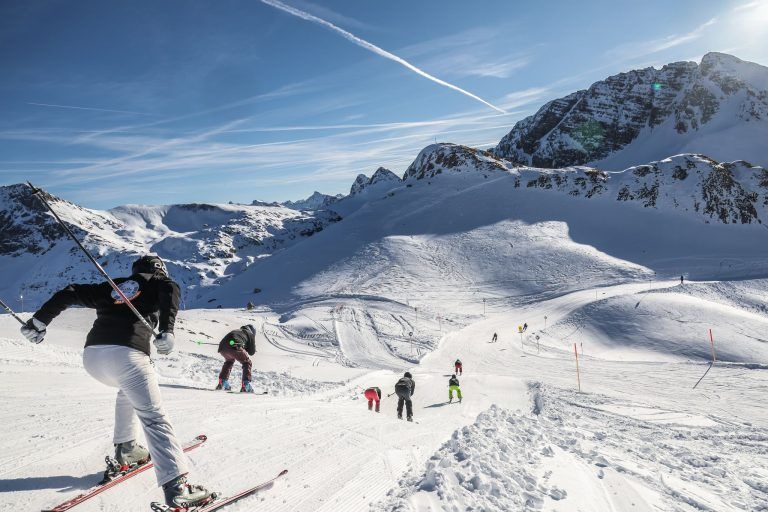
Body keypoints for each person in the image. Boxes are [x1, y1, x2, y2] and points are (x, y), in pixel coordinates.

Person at [19, 255, 212, 509]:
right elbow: (169, 293)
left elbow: (70, 292)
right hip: (128, 355)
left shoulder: (114, 285)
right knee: (154, 417)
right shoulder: (162, 283)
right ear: (160, 271)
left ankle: (127, 447)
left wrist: (38, 321)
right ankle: (177, 488)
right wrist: (167, 330)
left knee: (128, 390)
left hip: (93, 358)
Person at [216, 325, 257, 392]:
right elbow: (251, 352)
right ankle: (246, 385)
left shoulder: (238, 331)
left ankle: (223, 382)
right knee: (247, 362)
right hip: (235, 346)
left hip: (222, 348)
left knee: (229, 361)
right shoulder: (250, 334)